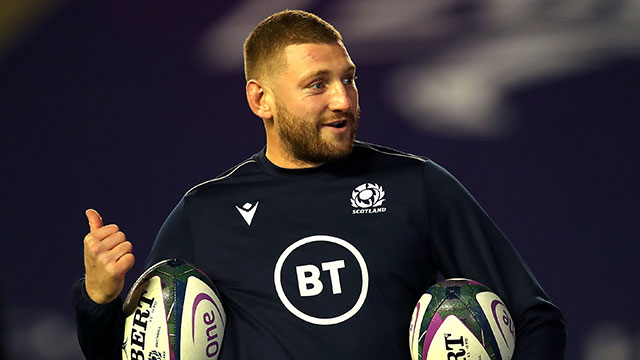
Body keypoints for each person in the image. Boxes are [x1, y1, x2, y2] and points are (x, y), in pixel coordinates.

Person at [73, 9, 567, 360]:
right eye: (318, 84)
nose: (344, 100)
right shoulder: (206, 213)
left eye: (348, 80)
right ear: (261, 99)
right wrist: (98, 299)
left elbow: (536, 319)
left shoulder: (417, 185)